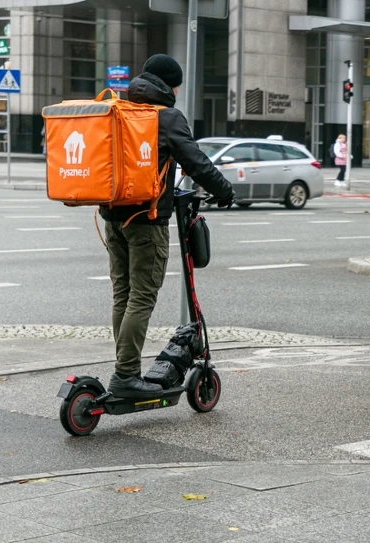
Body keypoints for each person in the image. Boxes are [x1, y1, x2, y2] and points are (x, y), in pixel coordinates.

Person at [100, 54, 236, 398]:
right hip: (147, 220)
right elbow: (196, 161)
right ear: (170, 85)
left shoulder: (121, 110)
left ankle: (123, 367)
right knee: (142, 298)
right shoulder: (166, 117)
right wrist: (224, 190)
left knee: (124, 295)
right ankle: (126, 375)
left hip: (113, 216)